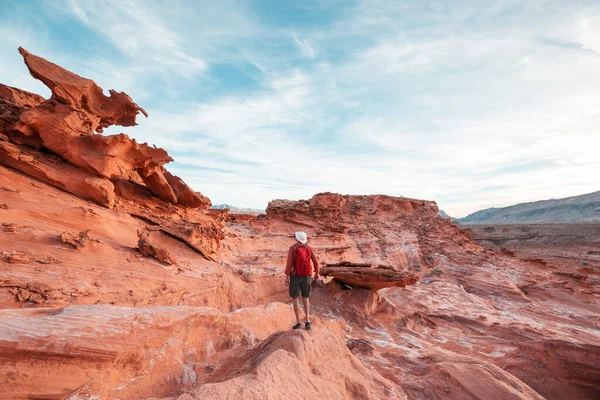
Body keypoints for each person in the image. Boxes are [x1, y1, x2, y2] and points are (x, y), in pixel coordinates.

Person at [285, 231, 320, 330]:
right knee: (305, 298)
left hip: (296, 275)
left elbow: (289, 264)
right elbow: (316, 262)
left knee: (295, 298)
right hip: (307, 275)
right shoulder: (309, 248)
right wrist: (317, 273)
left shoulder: (293, 248)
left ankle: (298, 322)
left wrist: (287, 276)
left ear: (296, 239)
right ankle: (307, 321)